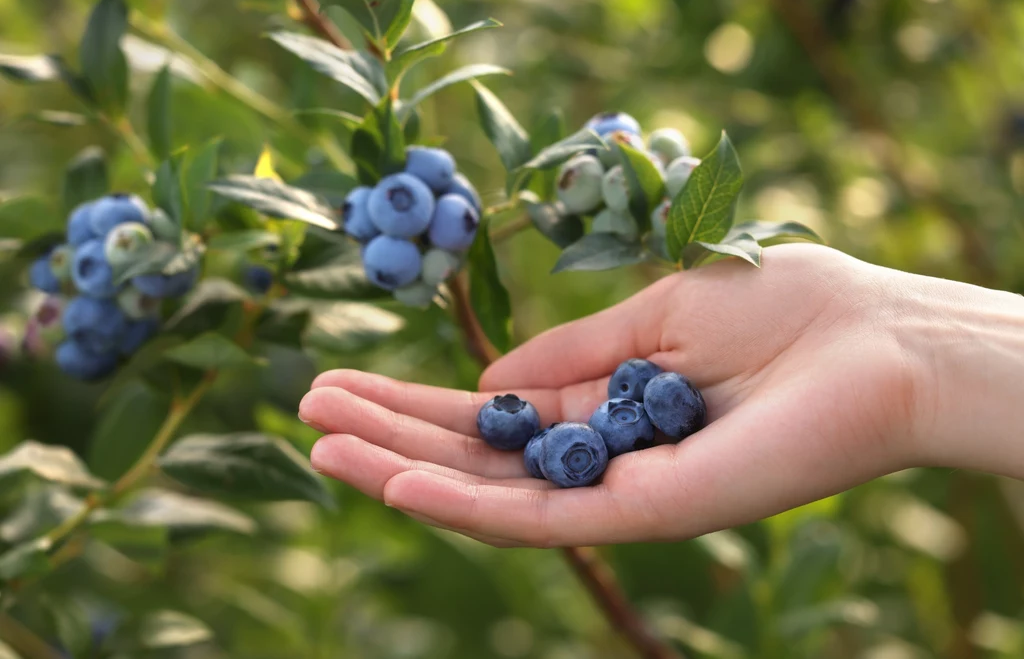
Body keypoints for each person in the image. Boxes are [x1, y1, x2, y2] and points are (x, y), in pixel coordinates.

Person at [298, 244, 1024, 548]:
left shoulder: (634, 409)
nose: (622, 411)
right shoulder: (627, 415)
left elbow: (620, 415)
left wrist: (897, 338)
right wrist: (903, 340)